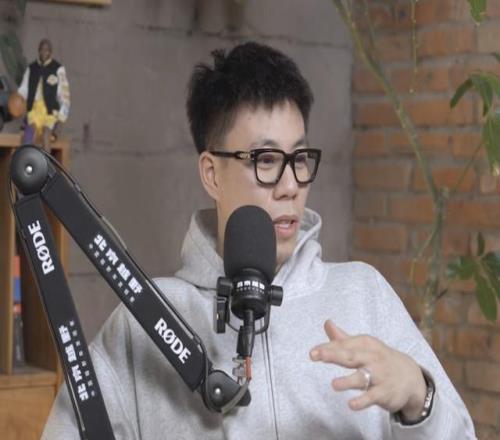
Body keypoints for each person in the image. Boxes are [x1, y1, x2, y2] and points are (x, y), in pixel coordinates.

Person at [42, 41, 476, 439]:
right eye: (266, 160)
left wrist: (419, 398)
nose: (291, 186)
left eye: (299, 158)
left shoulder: (365, 295)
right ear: (212, 174)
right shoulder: (143, 321)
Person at [18, 38, 70, 150]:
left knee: (46, 135)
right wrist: (19, 98)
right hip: (34, 110)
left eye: (47, 50)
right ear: (38, 50)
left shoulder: (58, 69)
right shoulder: (31, 68)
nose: (44, 52)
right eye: (41, 49)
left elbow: (65, 95)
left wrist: (62, 117)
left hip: (50, 112)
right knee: (28, 135)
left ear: (51, 52)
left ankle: (46, 160)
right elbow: (23, 89)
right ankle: (27, 159)